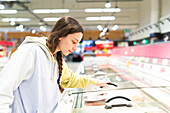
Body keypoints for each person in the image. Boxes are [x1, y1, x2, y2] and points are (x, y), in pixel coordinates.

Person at [0, 16, 109, 113]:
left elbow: (71, 79)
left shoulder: (57, 58)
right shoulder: (30, 52)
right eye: (74, 42)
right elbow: (3, 89)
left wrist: (96, 81)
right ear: (61, 35)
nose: (75, 48)